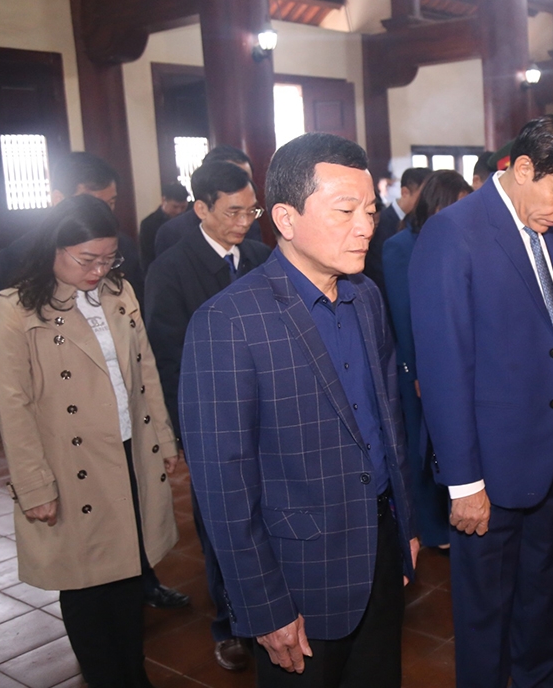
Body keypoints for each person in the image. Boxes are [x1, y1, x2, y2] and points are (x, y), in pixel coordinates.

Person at [179, 133, 418, 687]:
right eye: (344, 211)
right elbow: (223, 483)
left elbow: (389, 422)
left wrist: (404, 521)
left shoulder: (366, 296)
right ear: (285, 218)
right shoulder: (229, 322)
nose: (365, 225)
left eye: (370, 210)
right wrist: (263, 605)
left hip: (380, 545)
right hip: (298, 569)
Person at [410, 114, 553, 688]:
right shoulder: (454, 233)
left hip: (548, 452)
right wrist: (464, 483)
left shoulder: (549, 231)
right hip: (488, 470)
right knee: (486, 612)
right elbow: (444, 370)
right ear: (522, 168)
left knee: (542, 597)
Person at [0, 195, 179, 687]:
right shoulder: (16, 309)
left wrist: (163, 435)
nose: (98, 270)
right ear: (55, 248)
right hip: (69, 462)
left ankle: (132, 674)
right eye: (86, 259)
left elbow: (146, 371)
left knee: (128, 571)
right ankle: (106, 677)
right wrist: (34, 486)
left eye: (107, 258)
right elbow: (14, 406)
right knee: (84, 582)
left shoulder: (119, 292)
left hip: (127, 449)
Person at [143, 161, 272, 672]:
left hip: (269, 415)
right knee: (224, 526)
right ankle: (232, 625)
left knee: (269, 517)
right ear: (202, 208)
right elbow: (167, 357)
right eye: (233, 211)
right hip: (211, 423)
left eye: (252, 210)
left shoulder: (262, 257)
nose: (245, 221)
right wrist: (183, 433)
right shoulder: (172, 269)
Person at [382, 170, 472, 551]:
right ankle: (430, 528)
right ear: (437, 203)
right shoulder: (400, 245)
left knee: (451, 441)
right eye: (459, 203)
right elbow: (405, 312)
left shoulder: (461, 240)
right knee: (421, 447)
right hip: (416, 364)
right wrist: (418, 370)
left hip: (452, 360)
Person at [0, 152, 145, 312]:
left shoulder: (123, 246)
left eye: (111, 203)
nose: (104, 213)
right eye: (92, 204)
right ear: (59, 199)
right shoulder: (17, 256)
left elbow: (137, 306)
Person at [152, 145, 263, 259]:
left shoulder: (251, 224)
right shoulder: (173, 232)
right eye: (231, 179)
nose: (244, 222)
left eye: (246, 179)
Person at [363, 166, 429, 298]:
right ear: (405, 192)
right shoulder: (379, 223)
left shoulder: (419, 224)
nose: (427, 202)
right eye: (423, 197)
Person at [139, 182, 189, 271]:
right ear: (163, 200)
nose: (179, 211)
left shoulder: (190, 219)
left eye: (183, 207)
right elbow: (147, 258)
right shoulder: (149, 224)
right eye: (175, 207)